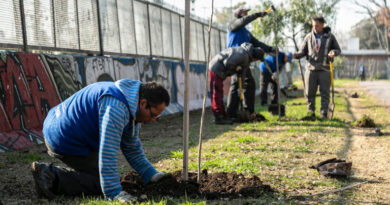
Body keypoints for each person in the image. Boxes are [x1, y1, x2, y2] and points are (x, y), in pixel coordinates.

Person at [31, 79, 171, 202]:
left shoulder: (129, 100)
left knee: (105, 175)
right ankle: (51, 175)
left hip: (59, 123)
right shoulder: (116, 108)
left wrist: (152, 175)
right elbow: (108, 152)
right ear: (143, 103)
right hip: (62, 136)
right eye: (153, 115)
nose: (153, 120)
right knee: (100, 182)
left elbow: (131, 148)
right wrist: (114, 193)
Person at [226, 6, 276, 120]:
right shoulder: (232, 25)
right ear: (239, 15)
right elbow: (244, 21)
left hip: (243, 60)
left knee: (249, 84)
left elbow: (257, 43)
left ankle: (248, 111)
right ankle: (231, 113)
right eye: (245, 13)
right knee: (236, 85)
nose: (247, 15)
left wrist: (270, 49)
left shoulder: (246, 33)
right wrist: (258, 14)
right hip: (234, 58)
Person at [293, 16, 341, 119]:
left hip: (325, 70)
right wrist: (297, 55)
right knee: (309, 93)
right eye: (313, 26)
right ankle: (311, 113)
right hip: (311, 70)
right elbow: (303, 51)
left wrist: (334, 52)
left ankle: (323, 114)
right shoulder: (308, 37)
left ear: (323, 25)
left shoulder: (330, 37)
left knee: (325, 94)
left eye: (317, 26)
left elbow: (338, 49)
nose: (315, 28)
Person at [209, 43, 265, 124]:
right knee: (216, 93)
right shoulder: (243, 54)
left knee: (219, 93)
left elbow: (242, 74)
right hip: (215, 68)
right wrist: (235, 68)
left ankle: (223, 116)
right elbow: (227, 62)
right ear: (255, 58)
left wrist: (240, 88)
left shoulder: (246, 56)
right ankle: (218, 117)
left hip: (220, 70)